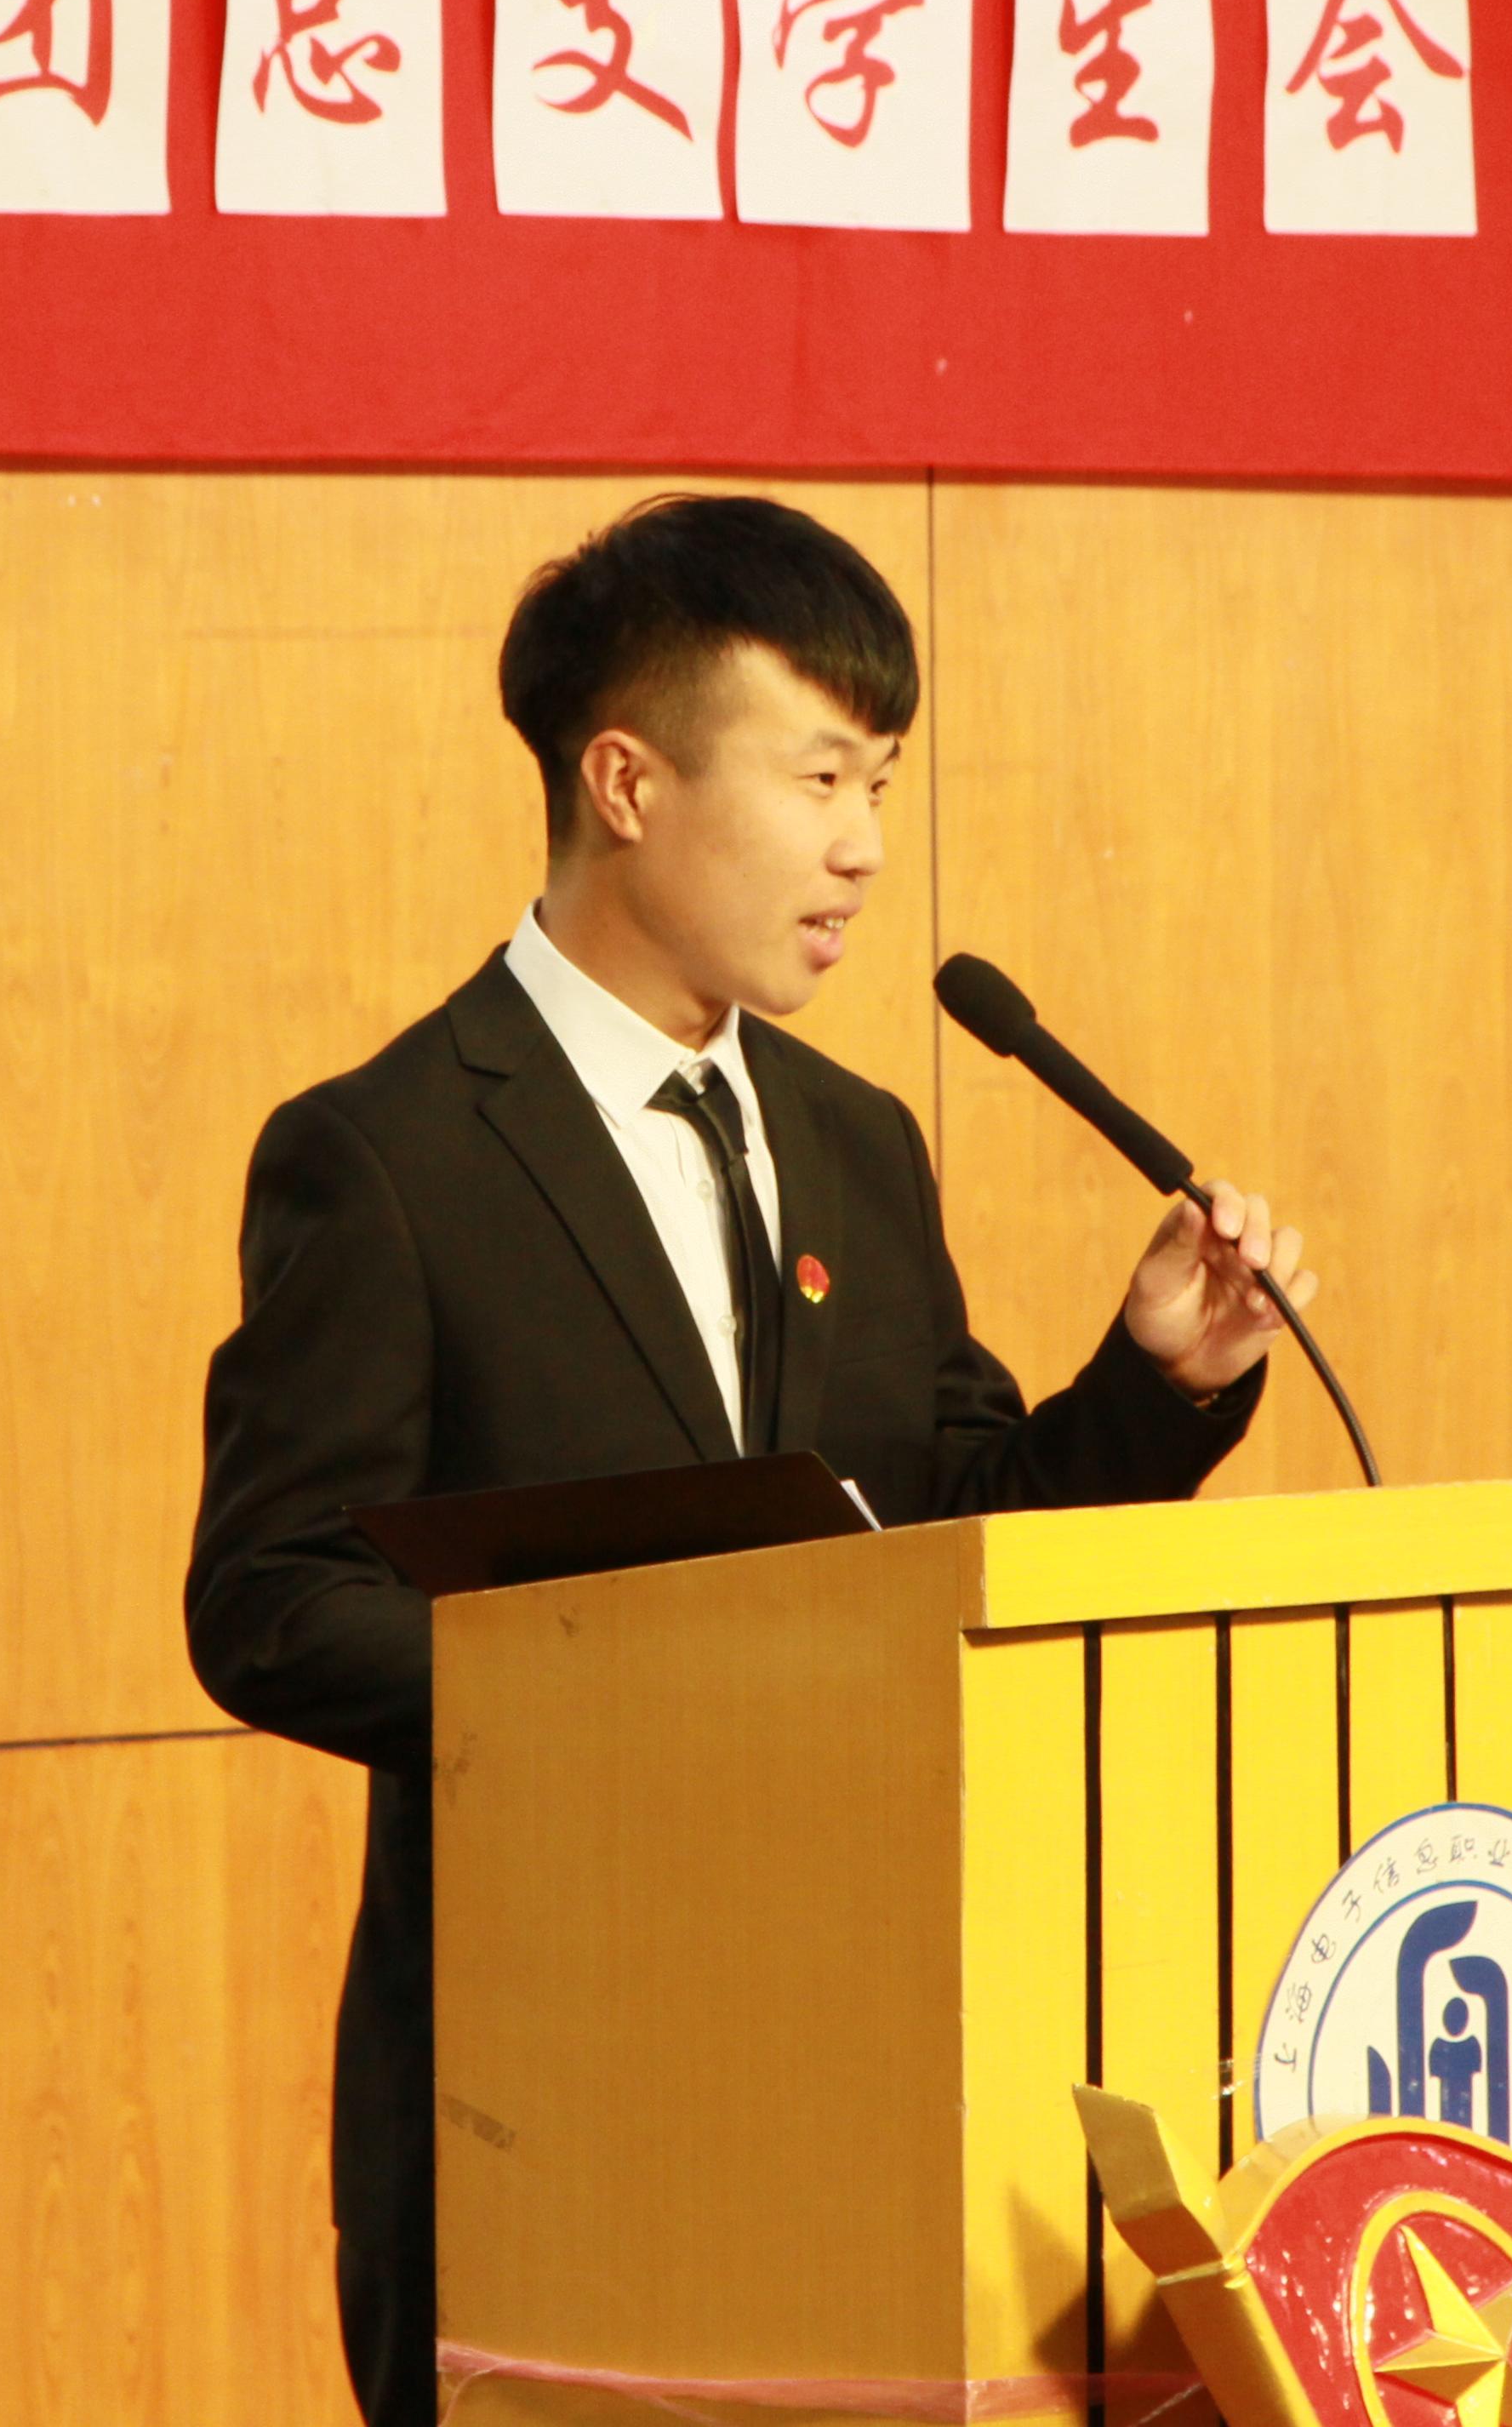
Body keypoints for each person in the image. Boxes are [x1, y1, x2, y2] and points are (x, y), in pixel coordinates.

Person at [185, 492, 1320, 2427]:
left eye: (879, 783)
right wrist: (639, 1687)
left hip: (875, 2088)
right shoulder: (388, 1156)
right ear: (626, 782)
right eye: (817, 778)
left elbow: (951, 1540)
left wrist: (1154, 1387)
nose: (862, 846)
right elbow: (271, 1602)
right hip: (548, 2101)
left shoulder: (857, 1139)